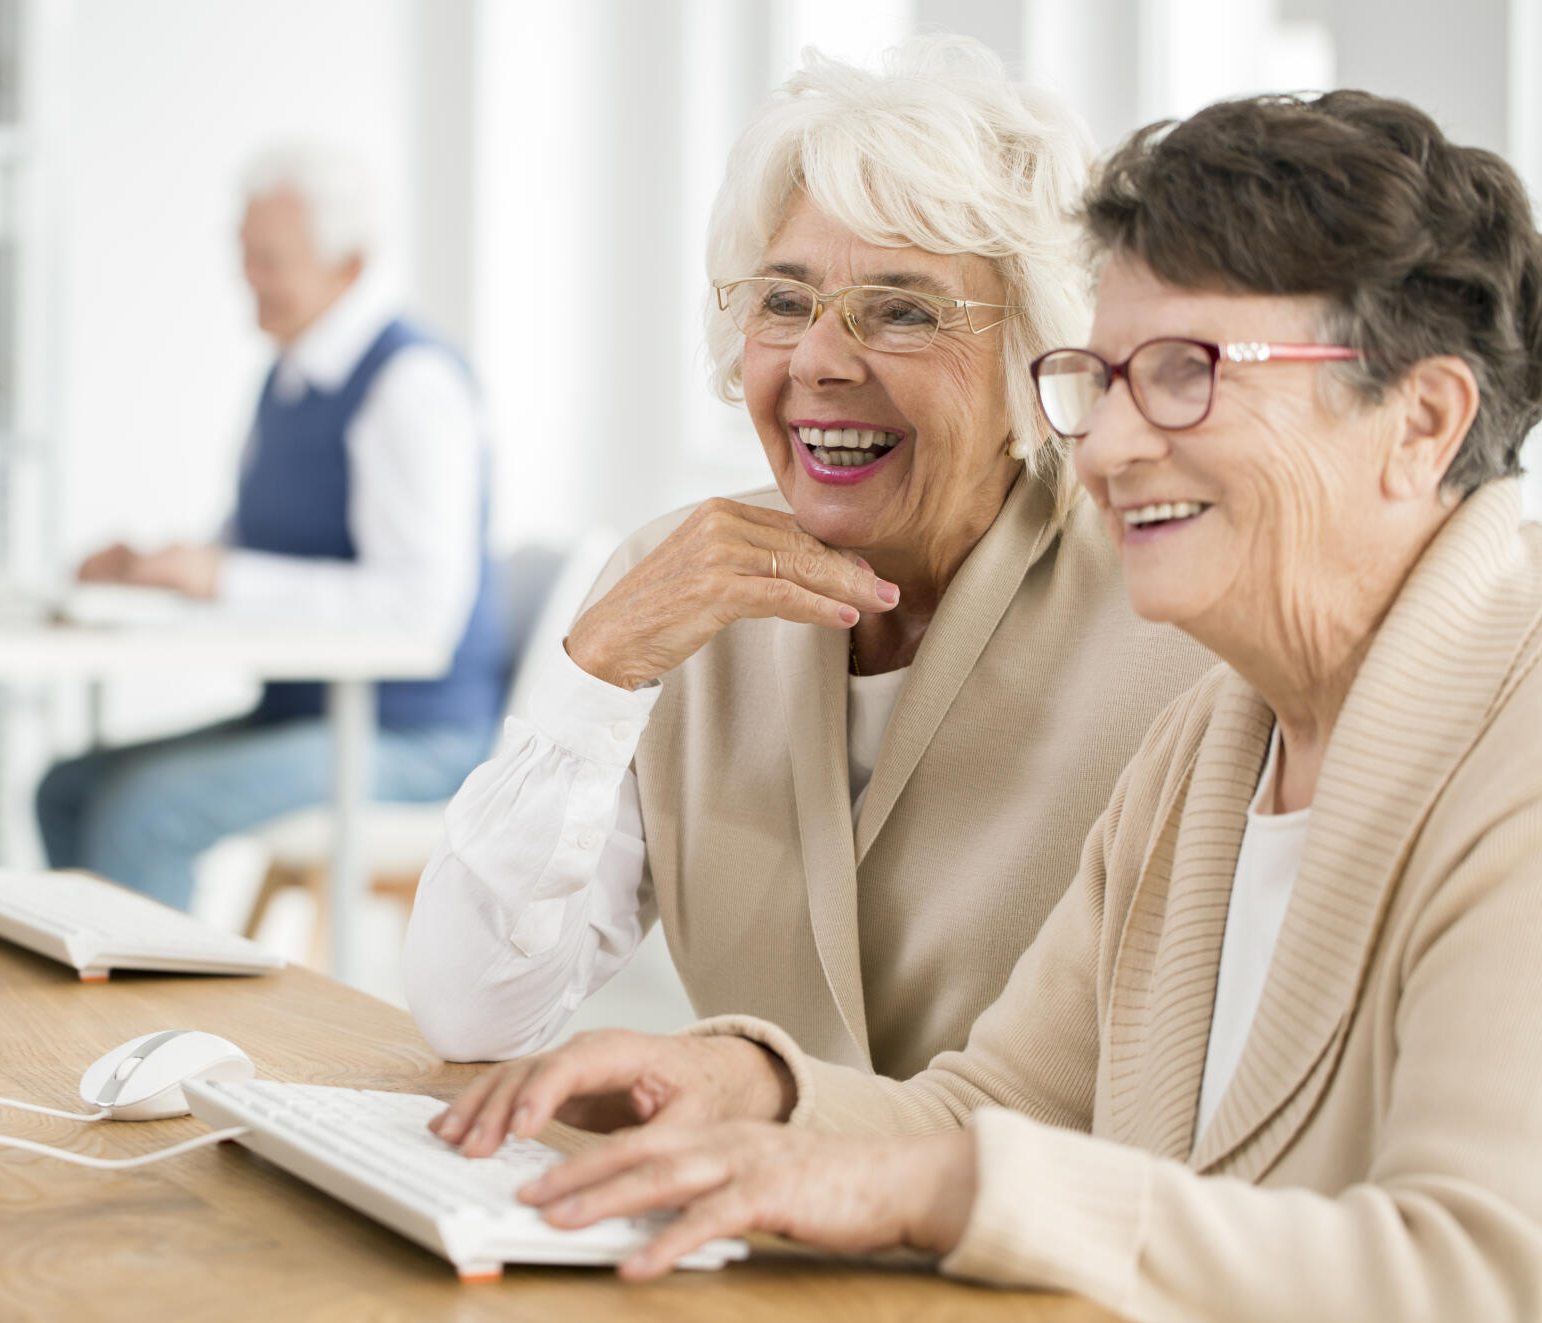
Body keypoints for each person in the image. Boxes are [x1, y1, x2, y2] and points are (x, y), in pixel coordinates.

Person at [430, 89, 1542, 1323]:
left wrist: (955, 1187)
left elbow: (1481, 1277)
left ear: (1422, 420)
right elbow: (997, 1105)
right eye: (1105, 379)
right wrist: (746, 1083)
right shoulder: (1221, 740)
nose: (1110, 446)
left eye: (1184, 375)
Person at [404, 39, 1212, 1074]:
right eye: (782, 302)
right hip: (752, 1221)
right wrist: (593, 674)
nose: (820, 360)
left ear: (1033, 350)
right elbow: (470, 1012)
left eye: (903, 311)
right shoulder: (674, 588)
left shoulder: (1173, 617)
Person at [36, 144, 503, 910]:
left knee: (145, 812)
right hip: (305, 713)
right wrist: (163, 566)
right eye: (244, 256)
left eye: (270, 259)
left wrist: (221, 576)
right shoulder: (288, 379)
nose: (247, 278)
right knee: (68, 789)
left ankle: (149, 1028)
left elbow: (420, 610)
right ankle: (85, 1004)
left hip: (411, 739)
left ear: (348, 266)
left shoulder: (411, 387)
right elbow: (258, 552)